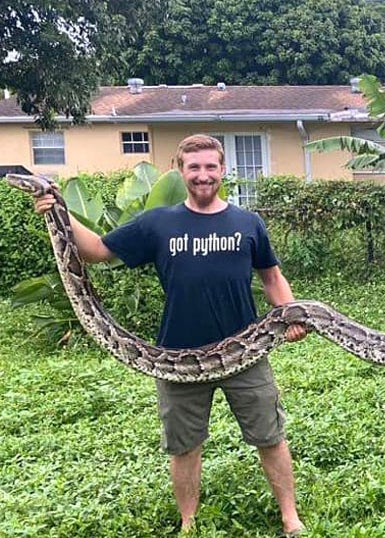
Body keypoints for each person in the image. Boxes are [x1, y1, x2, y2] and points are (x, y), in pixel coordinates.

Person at [34, 134, 307, 536]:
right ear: (180, 171)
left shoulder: (248, 223)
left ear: (222, 170)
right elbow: (94, 250)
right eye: (193, 167)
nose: (202, 175)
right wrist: (58, 209)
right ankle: (188, 522)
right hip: (177, 357)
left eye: (210, 167)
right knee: (184, 446)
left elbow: (272, 276)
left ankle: (290, 516)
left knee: (270, 436)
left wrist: (291, 316)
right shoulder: (158, 222)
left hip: (246, 352)